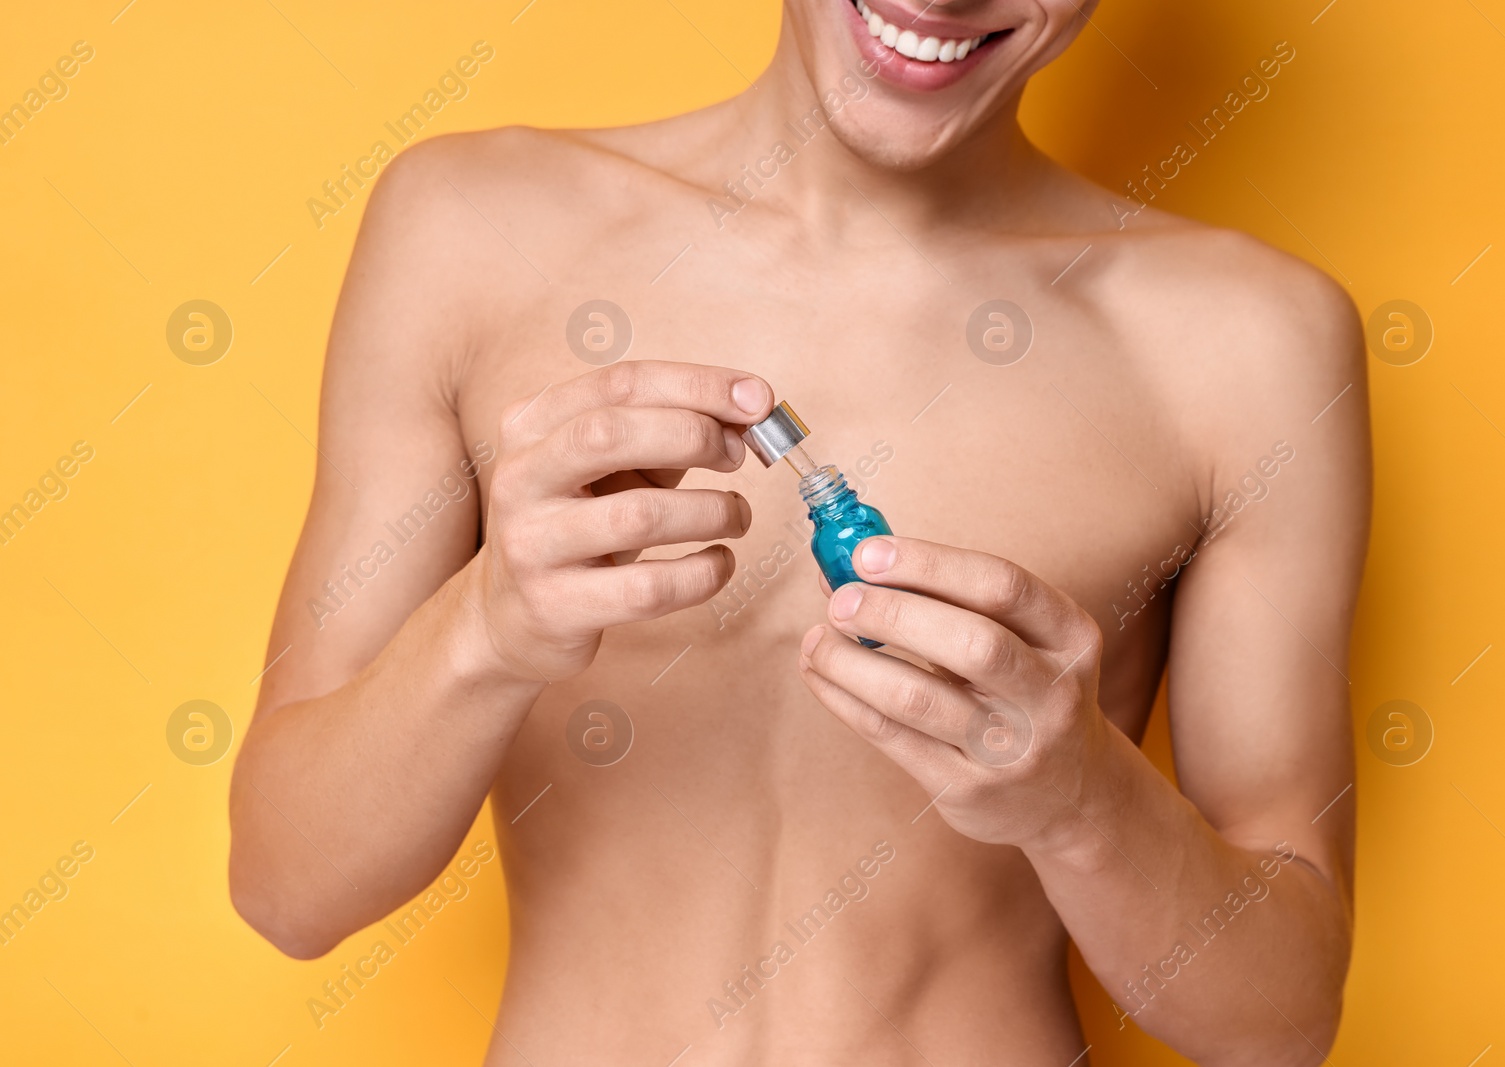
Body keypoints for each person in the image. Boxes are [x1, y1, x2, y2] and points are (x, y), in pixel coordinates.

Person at [228, 1, 1369, 1062]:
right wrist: (489, 625)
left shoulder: (1244, 347)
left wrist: (1083, 802)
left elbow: (1279, 1021)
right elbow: (287, 885)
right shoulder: (471, 229)